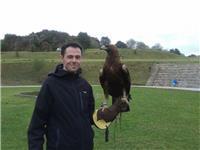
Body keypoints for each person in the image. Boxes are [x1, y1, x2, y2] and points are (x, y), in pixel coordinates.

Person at [28, 43, 95, 150]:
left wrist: (108, 113)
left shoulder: (85, 86)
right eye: (70, 57)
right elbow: (36, 125)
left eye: (77, 57)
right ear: (62, 58)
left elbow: (90, 119)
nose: (74, 60)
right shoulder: (50, 84)